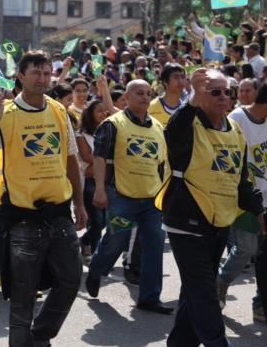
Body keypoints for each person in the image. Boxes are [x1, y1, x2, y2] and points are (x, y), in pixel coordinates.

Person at [0, 50, 87, 347]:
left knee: (69, 280)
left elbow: (70, 158)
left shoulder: (57, 109)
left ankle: (38, 337)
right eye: (36, 73)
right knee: (23, 297)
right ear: (21, 77)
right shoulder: (5, 114)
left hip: (59, 213)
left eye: (46, 73)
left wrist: (79, 202)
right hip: (22, 219)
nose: (42, 78)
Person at [160, 69, 265, 346]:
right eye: (214, 91)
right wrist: (192, 98)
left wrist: (260, 211)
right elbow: (174, 131)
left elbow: (241, 182)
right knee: (205, 293)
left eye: (227, 92)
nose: (223, 97)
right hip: (186, 224)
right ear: (199, 96)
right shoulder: (188, 125)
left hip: (219, 224)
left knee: (194, 293)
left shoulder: (236, 133)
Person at [85, 79, 172, 315]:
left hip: (152, 199)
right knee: (117, 240)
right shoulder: (112, 124)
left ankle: (149, 298)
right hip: (120, 196)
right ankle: (96, 270)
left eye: (148, 93)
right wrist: (101, 189)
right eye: (139, 93)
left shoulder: (157, 128)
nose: (144, 97)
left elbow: (162, 163)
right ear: (127, 97)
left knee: (153, 244)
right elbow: (100, 157)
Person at [218, 81, 267, 322]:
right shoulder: (238, 119)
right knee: (248, 248)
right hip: (244, 198)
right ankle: (221, 281)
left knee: (265, 254)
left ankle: (260, 303)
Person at [78, 98, 108, 260]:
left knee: (103, 221)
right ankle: (90, 246)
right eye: (99, 111)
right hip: (89, 182)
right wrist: (104, 161)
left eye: (105, 111)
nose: (103, 114)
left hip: (105, 180)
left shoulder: (108, 131)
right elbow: (88, 157)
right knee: (97, 220)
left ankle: (86, 243)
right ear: (90, 114)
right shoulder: (82, 135)